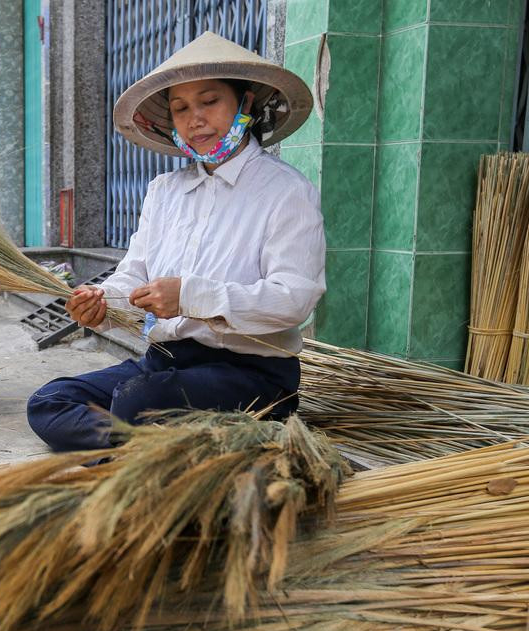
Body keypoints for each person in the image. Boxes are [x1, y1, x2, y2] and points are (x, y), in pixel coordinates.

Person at [26, 32, 324, 452]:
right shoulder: (164, 192)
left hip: (252, 375)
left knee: (138, 401)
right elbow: (134, 276)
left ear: (246, 104)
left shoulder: (285, 192)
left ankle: (135, 449)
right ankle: (145, 449)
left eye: (209, 101)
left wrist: (191, 297)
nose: (194, 119)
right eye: (180, 108)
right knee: (49, 401)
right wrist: (101, 303)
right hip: (164, 364)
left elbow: (294, 299)